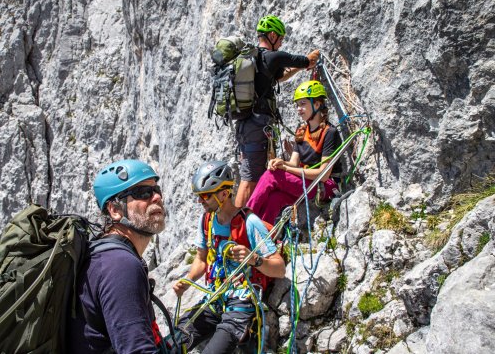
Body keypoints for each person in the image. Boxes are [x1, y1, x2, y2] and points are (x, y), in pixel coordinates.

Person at [172, 160, 285, 353]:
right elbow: (201, 259)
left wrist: (253, 259)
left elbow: (279, 268)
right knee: (172, 343)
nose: (201, 201)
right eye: (199, 196)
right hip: (214, 298)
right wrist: (188, 280)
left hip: (242, 305)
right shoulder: (207, 221)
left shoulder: (249, 222)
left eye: (205, 196)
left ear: (224, 194)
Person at [67, 159, 168, 353]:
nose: (156, 198)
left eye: (157, 190)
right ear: (115, 210)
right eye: (143, 193)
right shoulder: (120, 266)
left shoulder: (104, 255)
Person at [235, 14, 321, 207]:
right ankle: (236, 228)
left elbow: (279, 77)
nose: (281, 43)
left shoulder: (258, 59)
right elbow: (305, 61)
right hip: (257, 126)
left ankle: (249, 218)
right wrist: (313, 58)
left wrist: (299, 70)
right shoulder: (275, 57)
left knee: (252, 172)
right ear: (273, 35)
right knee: (250, 177)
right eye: (281, 38)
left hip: (246, 125)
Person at [246, 80, 343, 225]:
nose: (299, 109)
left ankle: (245, 218)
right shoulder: (302, 131)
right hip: (307, 184)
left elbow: (323, 175)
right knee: (275, 198)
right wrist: (281, 162)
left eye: (303, 104)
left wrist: (284, 168)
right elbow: (294, 163)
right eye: (298, 105)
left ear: (317, 104)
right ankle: (261, 236)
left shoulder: (329, 133)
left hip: (325, 186)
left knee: (273, 175)